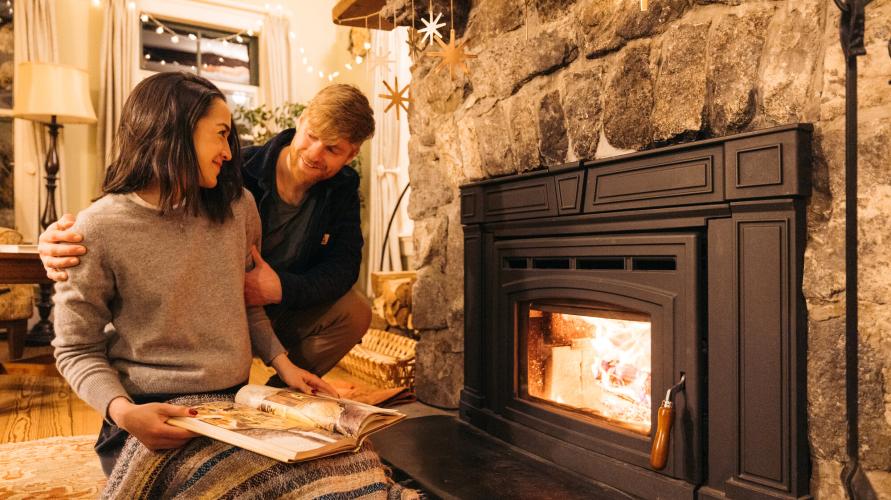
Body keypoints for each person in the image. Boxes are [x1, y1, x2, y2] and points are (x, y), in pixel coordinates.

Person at [51, 71, 336, 476]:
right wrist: (125, 413)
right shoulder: (96, 229)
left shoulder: (239, 207)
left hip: (235, 404)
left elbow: (245, 301)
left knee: (335, 468)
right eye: (220, 134)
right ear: (176, 131)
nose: (228, 151)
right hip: (149, 409)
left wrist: (283, 364)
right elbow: (75, 348)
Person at [40, 84, 376, 378]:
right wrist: (59, 239)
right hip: (209, 309)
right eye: (312, 137)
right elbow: (139, 211)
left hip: (273, 309)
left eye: (332, 149)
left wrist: (280, 289)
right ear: (301, 121)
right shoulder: (231, 170)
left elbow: (344, 266)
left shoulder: (342, 188)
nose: (315, 154)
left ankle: (284, 392)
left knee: (356, 311)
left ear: (352, 154)